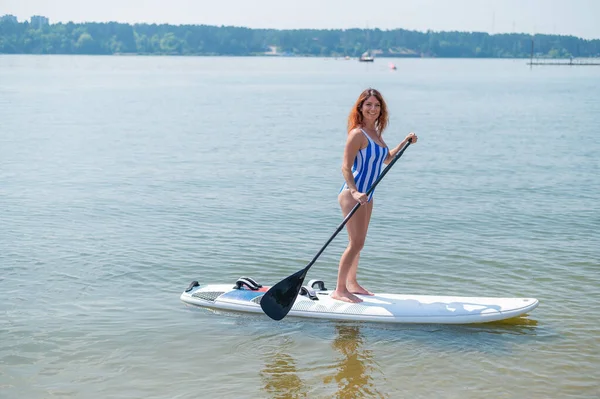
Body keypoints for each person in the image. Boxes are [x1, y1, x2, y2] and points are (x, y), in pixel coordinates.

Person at [332, 88, 417, 303]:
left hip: (368, 195)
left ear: (381, 110)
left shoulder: (375, 134)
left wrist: (404, 143)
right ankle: (340, 290)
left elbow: (386, 159)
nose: (373, 109)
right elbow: (345, 167)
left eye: (377, 105)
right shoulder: (357, 134)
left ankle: (352, 283)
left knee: (359, 242)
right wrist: (354, 191)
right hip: (354, 194)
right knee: (355, 243)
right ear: (360, 107)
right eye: (368, 104)